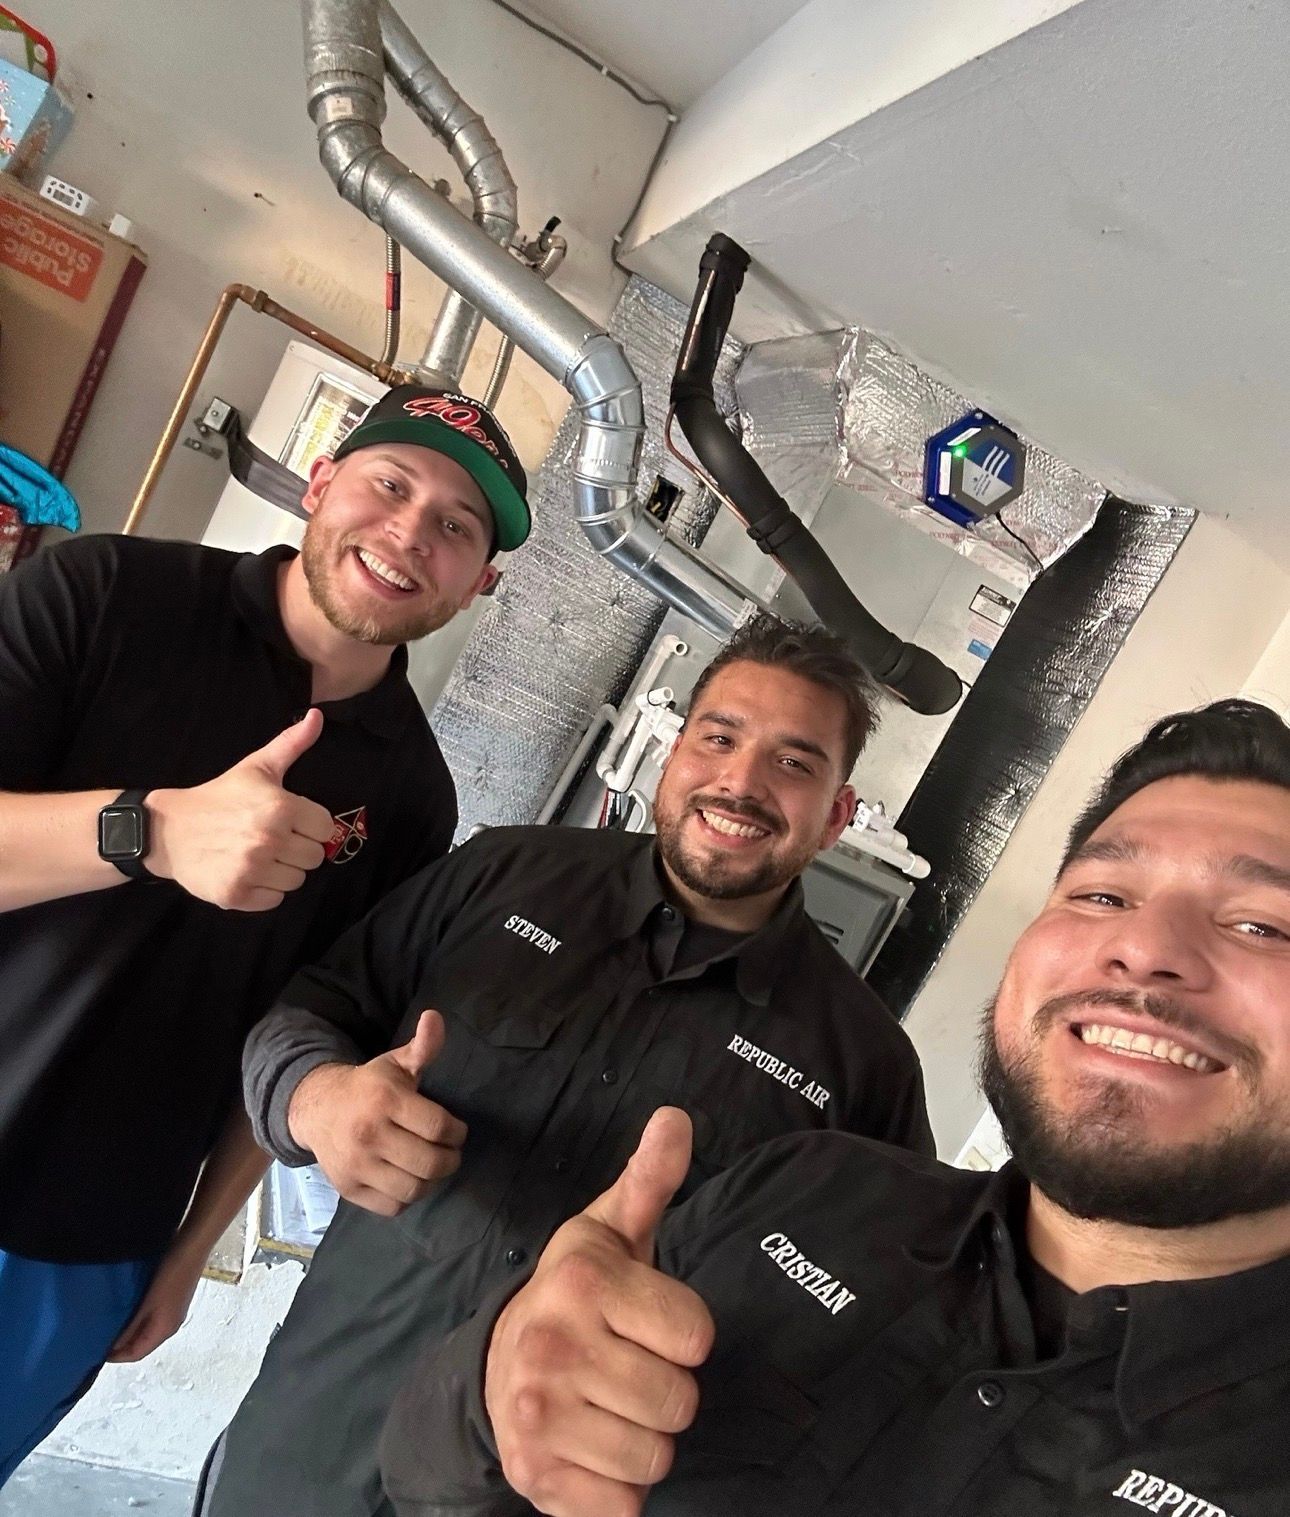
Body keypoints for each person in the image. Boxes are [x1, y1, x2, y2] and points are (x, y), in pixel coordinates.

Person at [383, 697, 1290, 1517]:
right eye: (1101, 893)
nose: (1142, 944)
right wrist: (492, 1374)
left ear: (836, 811)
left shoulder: (860, 1054)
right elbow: (422, 1469)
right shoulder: (810, 1179)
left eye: (1263, 925)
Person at [200, 615, 933, 1517]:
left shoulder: (865, 1069)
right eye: (719, 737)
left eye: (795, 761)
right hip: (305, 1445)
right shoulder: (503, 872)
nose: (740, 782)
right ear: (672, 756)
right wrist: (318, 1101)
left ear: (836, 817)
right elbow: (310, 1012)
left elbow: (869, 1336)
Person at [0, 383, 531, 1487]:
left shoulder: (414, 795)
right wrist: (147, 828)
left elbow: (309, 1028)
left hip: (91, 1237)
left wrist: (192, 1245)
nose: (409, 533)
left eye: (454, 526)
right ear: (324, 480)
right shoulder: (103, 591)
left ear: (479, 582)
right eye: (393, 483)